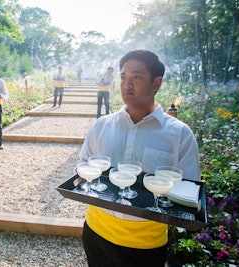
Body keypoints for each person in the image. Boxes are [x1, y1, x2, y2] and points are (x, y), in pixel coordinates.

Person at [79, 50, 200, 267]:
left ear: (156, 83)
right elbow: (83, 163)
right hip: (96, 232)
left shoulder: (179, 134)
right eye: (124, 77)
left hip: (146, 244)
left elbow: (190, 190)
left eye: (137, 77)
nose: (127, 84)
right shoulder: (101, 125)